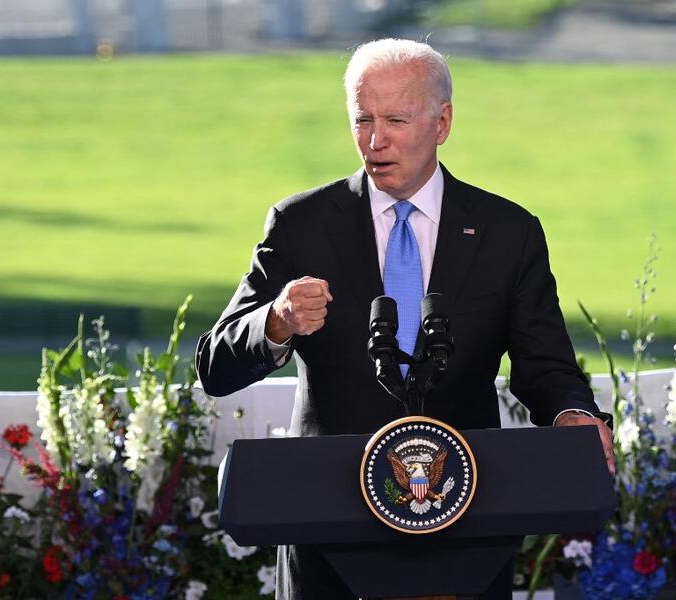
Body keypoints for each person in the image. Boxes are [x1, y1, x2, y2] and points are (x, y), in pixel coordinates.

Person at [196, 38, 614, 600]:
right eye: (362, 119)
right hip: (329, 540)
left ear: (442, 123)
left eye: (396, 119)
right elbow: (215, 366)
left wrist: (571, 414)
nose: (375, 139)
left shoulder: (506, 232)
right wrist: (276, 321)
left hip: (466, 529)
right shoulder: (300, 224)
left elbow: (546, 365)